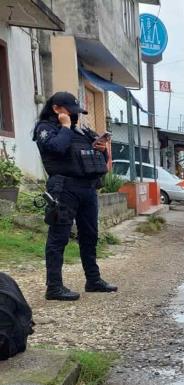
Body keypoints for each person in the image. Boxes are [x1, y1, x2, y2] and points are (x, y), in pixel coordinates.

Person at [33, 91, 117, 301]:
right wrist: (64, 126)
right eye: (71, 111)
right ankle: (54, 287)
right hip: (63, 188)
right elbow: (58, 148)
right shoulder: (46, 129)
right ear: (57, 108)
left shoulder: (80, 132)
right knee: (58, 237)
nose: (75, 115)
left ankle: (93, 280)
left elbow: (97, 159)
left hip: (87, 188)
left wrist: (101, 148)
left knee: (90, 236)